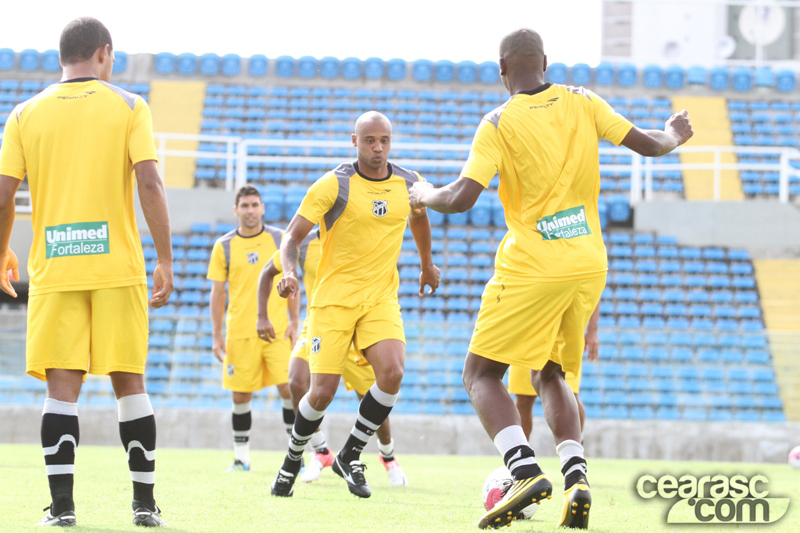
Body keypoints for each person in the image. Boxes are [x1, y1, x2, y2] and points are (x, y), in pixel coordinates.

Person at [409, 28, 693, 529]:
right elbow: (652, 145)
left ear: (502, 69)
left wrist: (423, 193)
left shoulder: (498, 122)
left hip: (533, 265)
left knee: (480, 374)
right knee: (550, 373)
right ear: (545, 62)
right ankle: (576, 478)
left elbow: (461, 197)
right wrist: (674, 133)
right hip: (588, 262)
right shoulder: (584, 100)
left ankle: (523, 473)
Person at [0, 17, 173, 527]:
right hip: (117, 266)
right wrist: (165, 258)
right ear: (104, 52)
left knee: (61, 389)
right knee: (130, 384)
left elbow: (4, 196)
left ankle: (62, 509)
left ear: (62, 56)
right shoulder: (129, 105)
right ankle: (144, 506)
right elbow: (150, 183)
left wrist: (2, 250)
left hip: (56, 267)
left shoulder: (24, 114)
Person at [270, 111, 439, 499]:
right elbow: (291, 237)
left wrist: (427, 264)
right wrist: (290, 272)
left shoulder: (409, 183)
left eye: (384, 140)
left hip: (380, 297)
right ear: (354, 141)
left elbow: (418, 219)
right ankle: (292, 460)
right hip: (333, 302)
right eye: (369, 140)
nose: (378, 148)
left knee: (392, 372)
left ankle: (349, 454)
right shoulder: (333, 184)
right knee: (321, 393)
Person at [257, 230, 408, 486]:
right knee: (296, 381)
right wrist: (262, 315)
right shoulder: (302, 243)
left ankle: (388, 456)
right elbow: (267, 272)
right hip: (319, 323)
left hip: (355, 324)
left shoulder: (357, 235)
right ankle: (321, 450)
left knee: (371, 396)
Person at [207, 185, 299, 472]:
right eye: (245, 206)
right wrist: (217, 335)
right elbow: (217, 294)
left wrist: (295, 322)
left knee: (289, 388)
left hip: (278, 330)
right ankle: (241, 458)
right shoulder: (223, 246)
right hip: (240, 332)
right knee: (240, 395)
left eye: (254, 205)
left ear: (262, 208)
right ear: (236, 210)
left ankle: (295, 457)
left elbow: (292, 281)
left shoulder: (280, 238)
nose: (250, 211)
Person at [511, 303, 599, 440]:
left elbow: (596, 292)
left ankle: (574, 447)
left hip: (564, 330)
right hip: (529, 330)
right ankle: (520, 450)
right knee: (523, 398)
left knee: (570, 395)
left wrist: (592, 331)